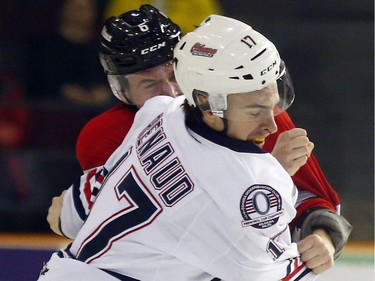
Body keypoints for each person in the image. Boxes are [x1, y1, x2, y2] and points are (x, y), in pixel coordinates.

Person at [39, 14, 351, 281]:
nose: (271, 124)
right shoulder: (247, 182)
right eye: (255, 111)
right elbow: (268, 272)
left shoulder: (156, 113)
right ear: (205, 99)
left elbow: (76, 212)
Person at [25, 0, 113, 105]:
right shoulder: (43, 46)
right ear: (63, 10)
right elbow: (38, 82)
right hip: (53, 110)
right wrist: (67, 92)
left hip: (99, 109)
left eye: (85, 9)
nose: (79, 13)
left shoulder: (106, 48)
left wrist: (107, 92)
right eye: (75, 8)